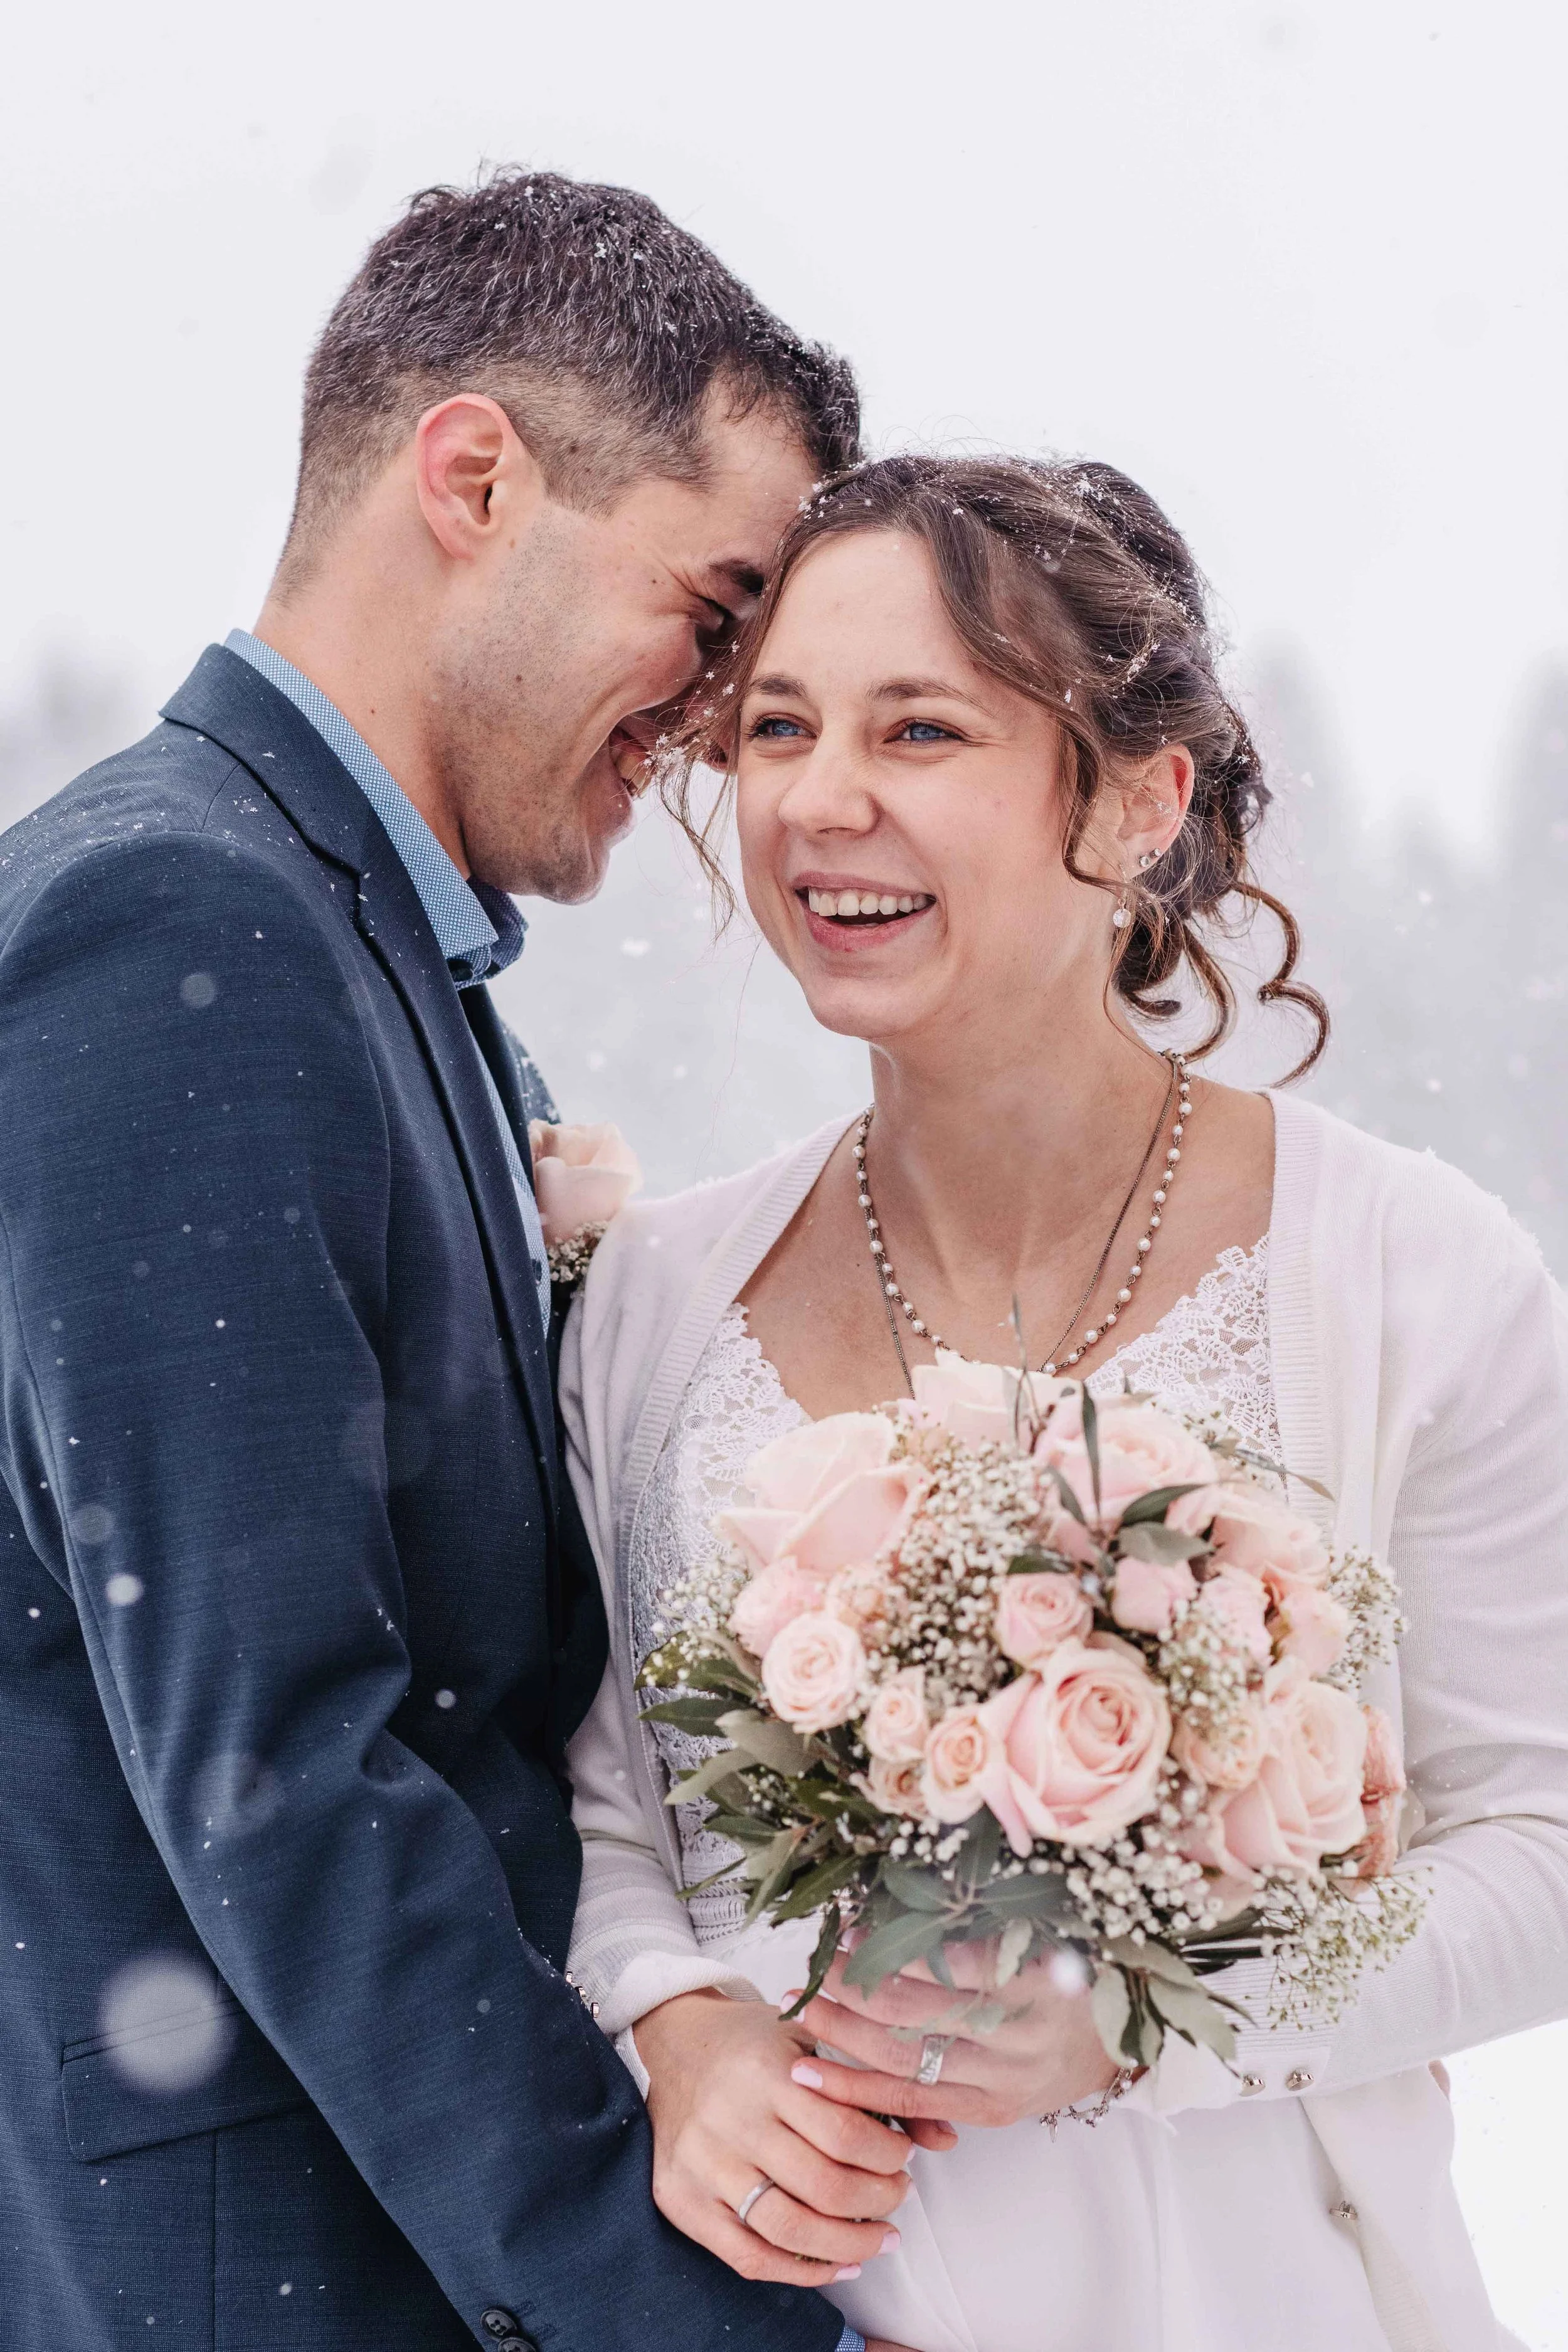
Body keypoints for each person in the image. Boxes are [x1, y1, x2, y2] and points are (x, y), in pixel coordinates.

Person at [0, 166, 911, 2352]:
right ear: (475, 476)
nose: (710, 720)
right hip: (271, 2279)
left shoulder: (367, 950)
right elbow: (286, 1757)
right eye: (709, 612)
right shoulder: (175, 929)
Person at [561, 453, 1568, 2352]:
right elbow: (610, 1817)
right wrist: (677, 2026)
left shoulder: (1413, 1275)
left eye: (917, 727)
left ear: (1131, 798)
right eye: (775, 726)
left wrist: (1149, 2015)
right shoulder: (652, 1302)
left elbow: (1542, 1844)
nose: (814, 802)